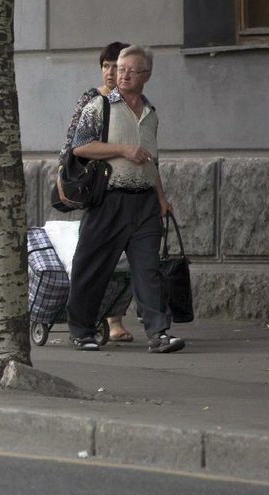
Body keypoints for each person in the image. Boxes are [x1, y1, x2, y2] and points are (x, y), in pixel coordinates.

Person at [66, 45, 185, 353]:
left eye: (131, 70)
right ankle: (81, 330)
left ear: (146, 75)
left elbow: (151, 161)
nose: (124, 74)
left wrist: (161, 197)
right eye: (120, 69)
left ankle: (159, 333)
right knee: (92, 267)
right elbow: (80, 147)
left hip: (144, 202)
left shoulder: (150, 114)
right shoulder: (100, 106)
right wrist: (122, 149)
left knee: (148, 269)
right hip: (109, 199)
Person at [60, 41, 135, 343]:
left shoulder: (134, 103)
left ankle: (115, 318)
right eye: (105, 65)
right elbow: (71, 143)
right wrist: (61, 179)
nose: (109, 72)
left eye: (116, 66)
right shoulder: (92, 100)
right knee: (95, 257)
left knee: (126, 261)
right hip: (98, 188)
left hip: (129, 190)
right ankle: (93, 323)